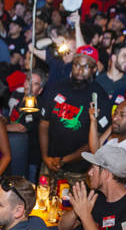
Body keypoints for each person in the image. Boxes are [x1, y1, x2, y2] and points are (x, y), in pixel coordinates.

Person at [39, 46, 113, 174]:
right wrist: (45, 156)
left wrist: (64, 160)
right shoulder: (57, 87)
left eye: (85, 67)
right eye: (76, 65)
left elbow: (97, 138)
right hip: (50, 162)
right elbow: (44, 124)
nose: (79, 70)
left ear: (94, 69)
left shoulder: (99, 96)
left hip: (79, 170)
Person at [88, 97, 126, 191]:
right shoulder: (114, 142)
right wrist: (93, 121)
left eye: (122, 115)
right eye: (115, 113)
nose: (115, 118)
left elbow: (115, 187)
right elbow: (96, 152)